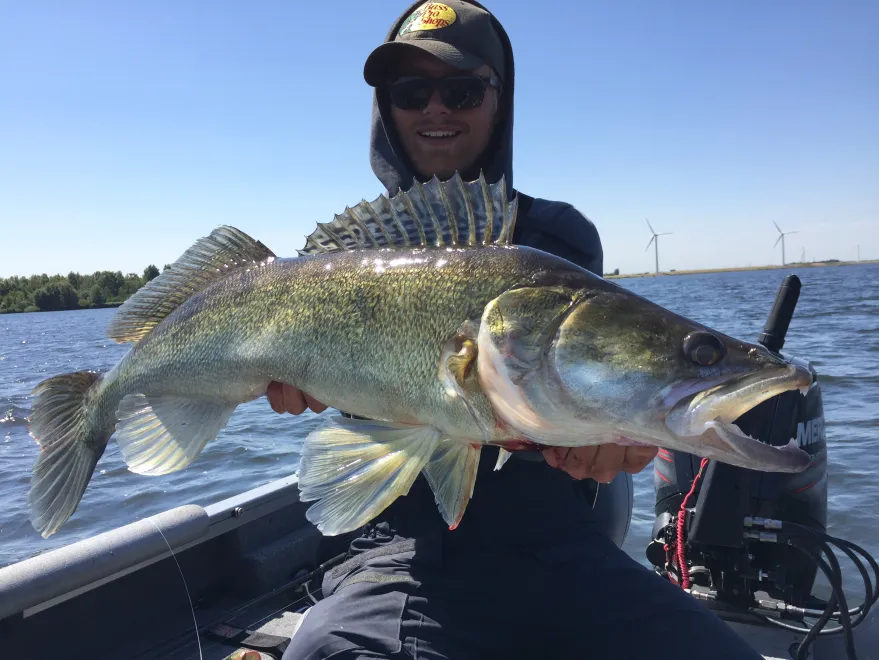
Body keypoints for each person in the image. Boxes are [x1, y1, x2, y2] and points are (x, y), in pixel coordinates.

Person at [272, 2, 765, 658]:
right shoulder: (338, 271)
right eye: (410, 92)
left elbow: (576, 392)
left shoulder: (556, 241)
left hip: (558, 549)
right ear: (385, 110)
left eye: (462, 90)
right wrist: (300, 382)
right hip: (402, 558)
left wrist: (620, 439)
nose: (435, 109)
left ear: (498, 99)